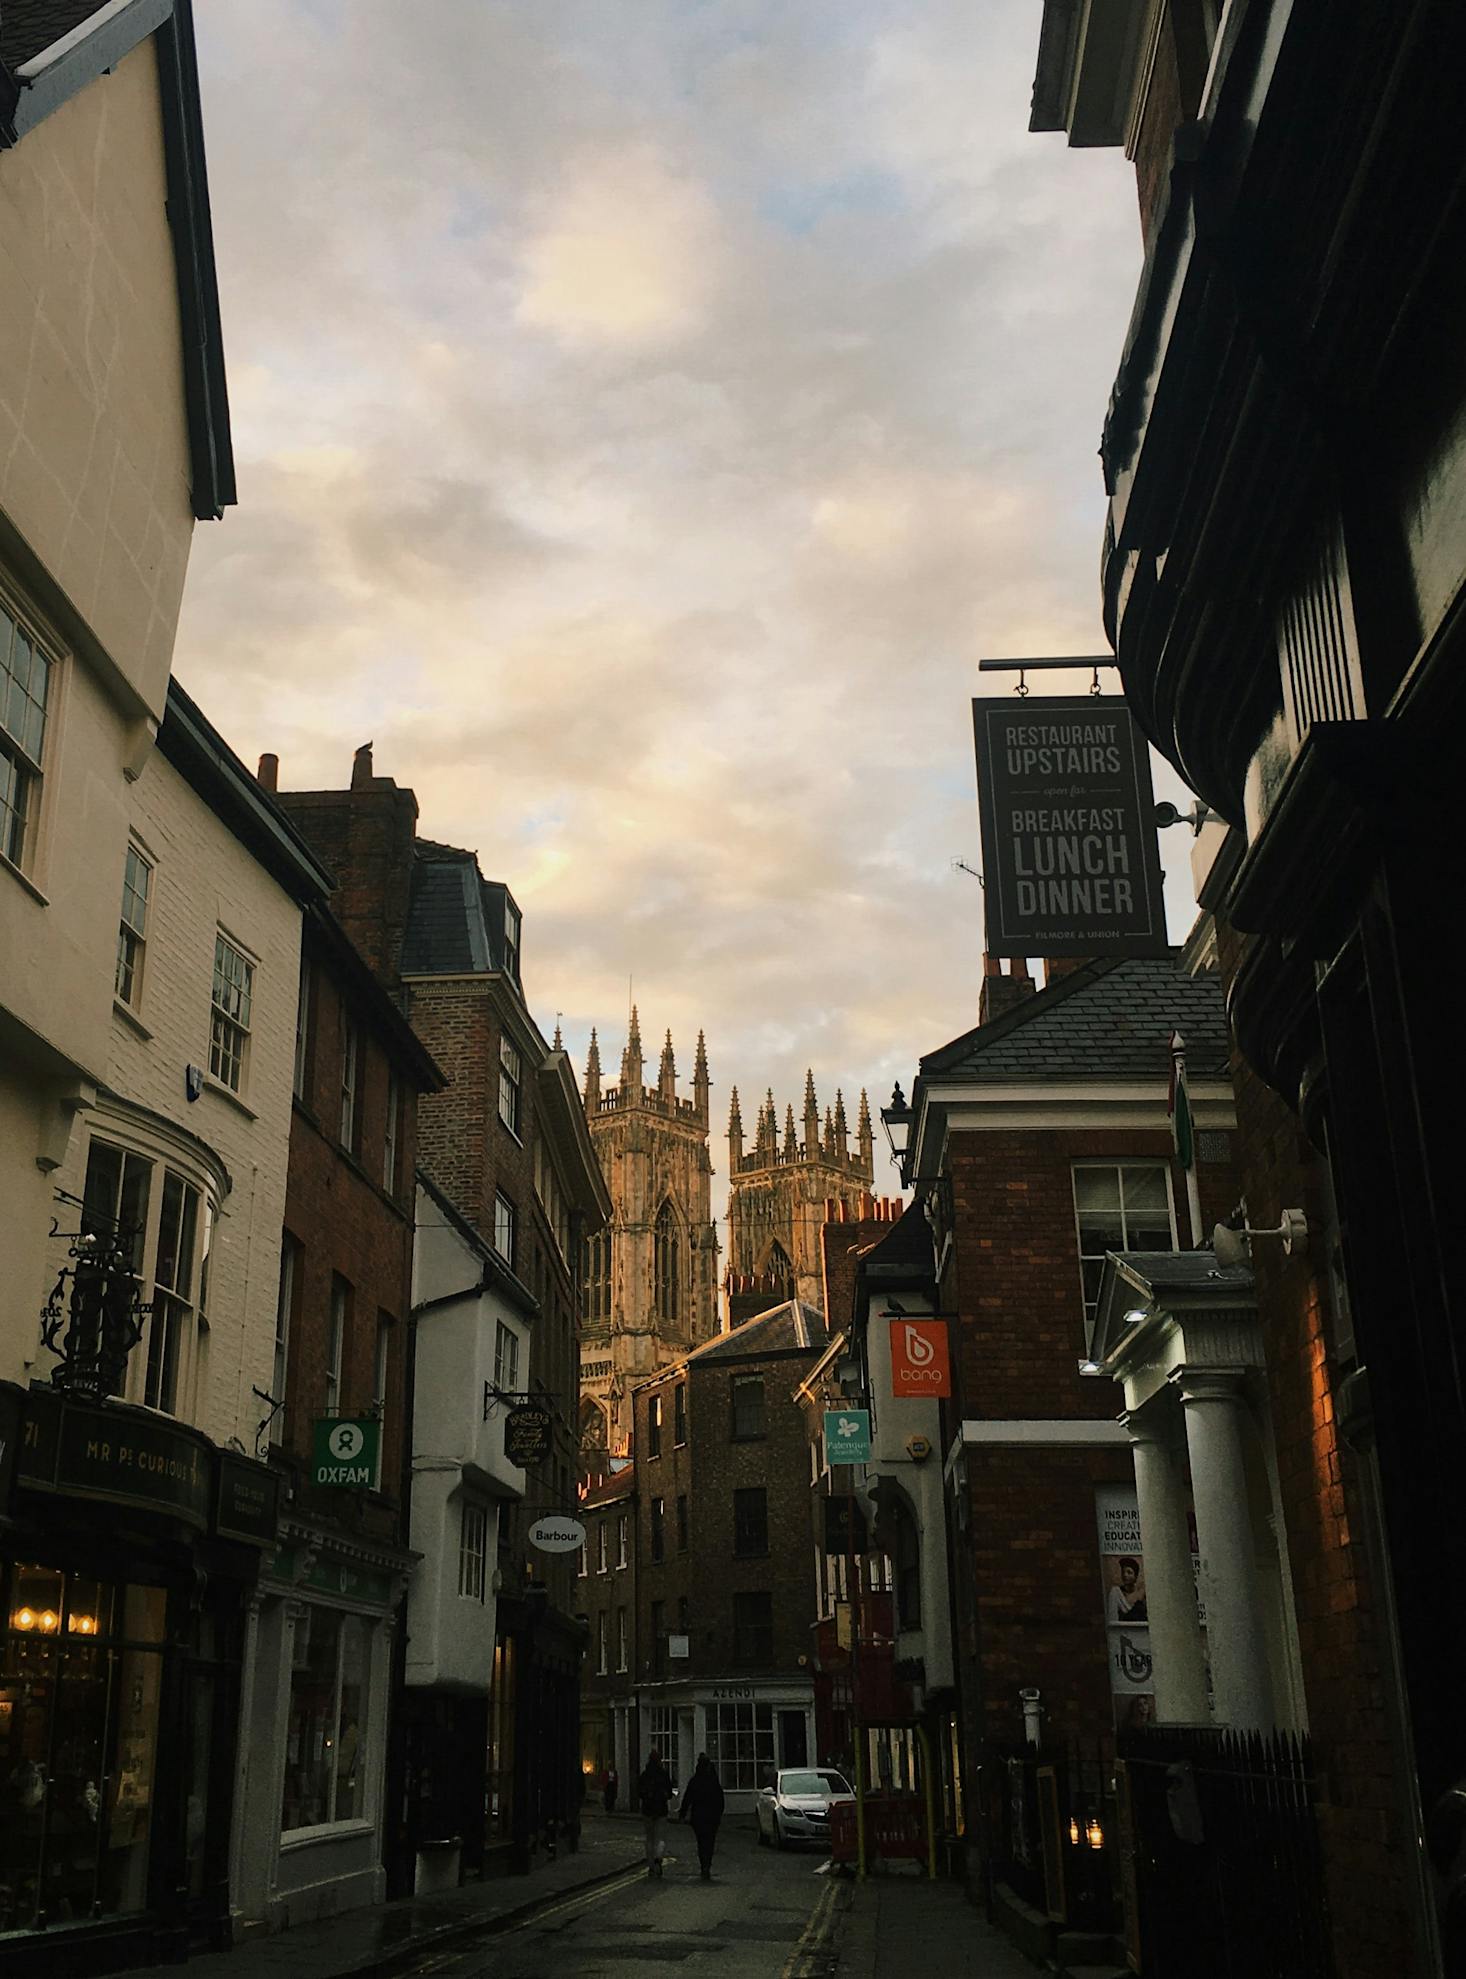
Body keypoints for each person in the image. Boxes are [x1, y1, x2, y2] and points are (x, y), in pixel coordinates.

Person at [677, 1753, 725, 1881]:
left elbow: (687, 1798)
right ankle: (706, 1866)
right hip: (712, 1817)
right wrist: (719, 1814)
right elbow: (720, 1800)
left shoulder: (695, 1780)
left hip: (698, 1817)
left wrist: (682, 1814)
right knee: (710, 1842)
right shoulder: (713, 1780)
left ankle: (703, 1865)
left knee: (701, 1842)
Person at [637, 1749, 674, 1877]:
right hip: (661, 1810)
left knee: (649, 1839)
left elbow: (639, 1792)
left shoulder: (645, 1775)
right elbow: (669, 1793)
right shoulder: (663, 1775)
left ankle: (651, 1866)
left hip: (647, 1810)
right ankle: (658, 1858)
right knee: (660, 1838)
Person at [1107, 1557, 1148, 1624]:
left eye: (1129, 1572)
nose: (1125, 1575)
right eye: (1123, 1572)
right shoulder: (1116, 1592)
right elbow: (1113, 1620)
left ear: (1135, 1576)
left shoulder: (1141, 1594)